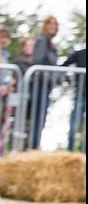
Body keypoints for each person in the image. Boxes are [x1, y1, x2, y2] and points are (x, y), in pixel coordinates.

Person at [29, 14, 59, 149]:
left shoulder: (51, 43)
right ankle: (34, 146)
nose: (53, 26)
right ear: (45, 26)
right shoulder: (42, 41)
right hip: (40, 85)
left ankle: (36, 145)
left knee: (42, 118)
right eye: (50, 23)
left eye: (55, 24)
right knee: (38, 117)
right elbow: (39, 61)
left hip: (46, 85)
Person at [62, 48, 86, 151]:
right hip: (80, 95)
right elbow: (63, 66)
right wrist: (67, 79)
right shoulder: (80, 54)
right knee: (74, 127)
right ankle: (70, 151)